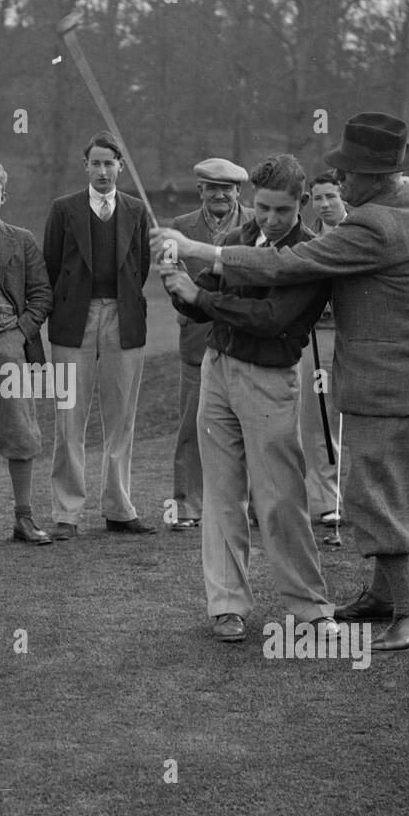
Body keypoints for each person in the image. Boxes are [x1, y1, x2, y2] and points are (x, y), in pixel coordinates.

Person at [151, 113, 409, 653]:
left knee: (372, 494)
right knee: (373, 488)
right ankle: (380, 596)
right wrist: (186, 287)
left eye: (350, 174)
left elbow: (287, 271)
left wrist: (200, 256)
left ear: (379, 176)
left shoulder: (373, 225)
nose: (341, 185)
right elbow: (214, 290)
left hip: (402, 377)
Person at [161, 154, 335, 642]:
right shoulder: (235, 240)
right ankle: (227, 605)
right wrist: (175, 282)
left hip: (271, 380)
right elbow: (199, 304)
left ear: (300, 204)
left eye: (281, 210)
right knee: (221, 495)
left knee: (280, 498)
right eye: (262, 208)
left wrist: (202, 300)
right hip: (217, 372)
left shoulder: (311, 253)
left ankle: (309, 606)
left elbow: (271, 317)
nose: (270, 219)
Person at [43, 130, 154, 539]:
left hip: (124, 320)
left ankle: (118, 508)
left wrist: (116, 304)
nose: (103, 170)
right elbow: (52, 265)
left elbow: (139, 269)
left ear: (120, 167)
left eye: (110, 163)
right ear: (85, 166)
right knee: (69, 417)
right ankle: (66, 513)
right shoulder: (63, 210)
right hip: (74, 321)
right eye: (96, 163)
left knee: (121, 417)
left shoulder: (136, 211)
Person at [0, 162, 55, 545]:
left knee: (19, 430)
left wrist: (21, 332)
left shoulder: (22, 240)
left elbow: (42, 295)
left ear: (4, 198)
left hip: (7, 342)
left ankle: (24, 517)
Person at [167, 158, 250, 532]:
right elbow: (174, 278)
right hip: (197, 338)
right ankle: (187, 506)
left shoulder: (254, 223)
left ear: (238, 192)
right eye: (212, 188)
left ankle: (250, 506)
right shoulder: (181, 227)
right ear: (200, 190)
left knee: (249, 425)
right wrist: (191, 300)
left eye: (227, 188)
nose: (220, 195)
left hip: (244, 336)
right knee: (192, 425)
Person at [301, 171, 347, 524]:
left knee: (351, 421)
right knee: (319, 420)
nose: (325, 204)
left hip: (356, 340)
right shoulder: (310, 239)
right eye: (318, 198)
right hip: (317, 338)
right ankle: (326, 500)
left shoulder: (360, 233)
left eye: (331, 196)